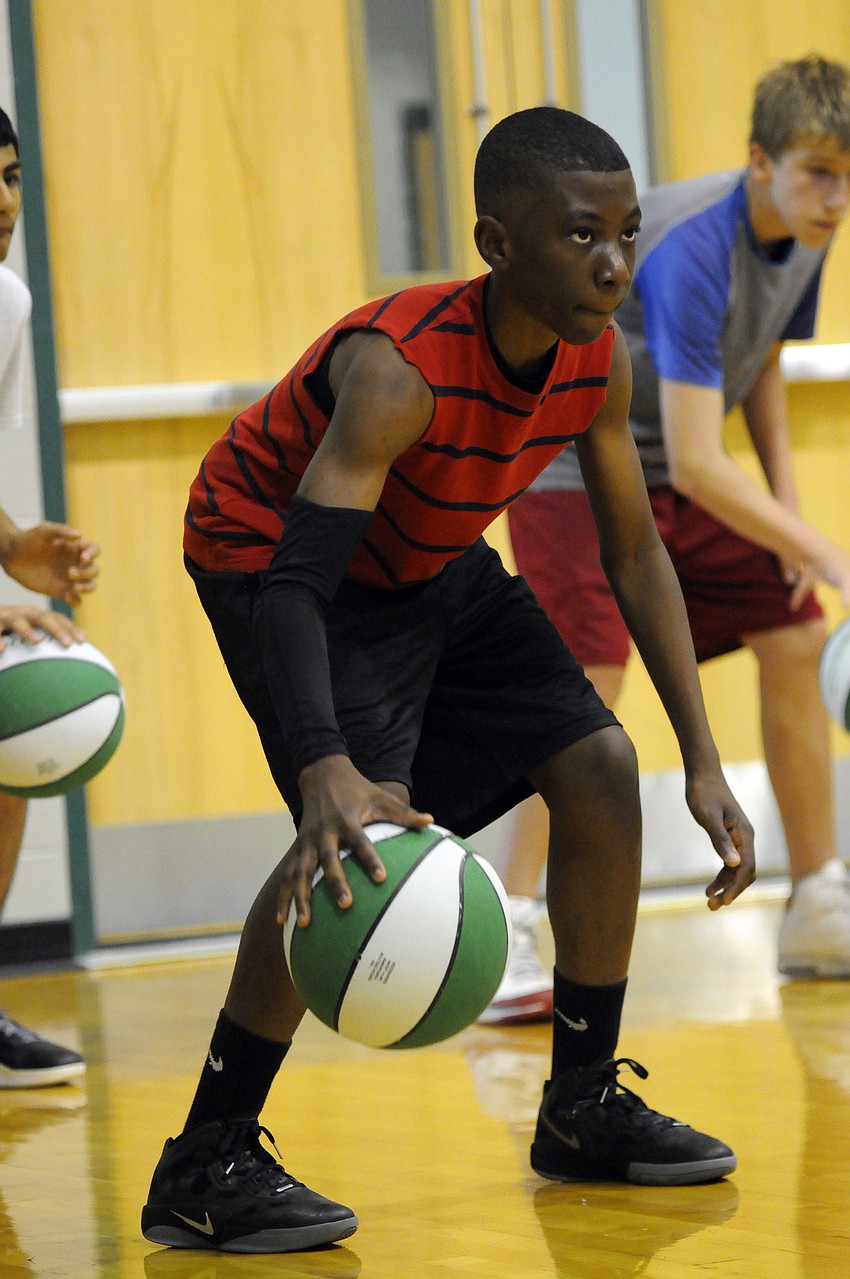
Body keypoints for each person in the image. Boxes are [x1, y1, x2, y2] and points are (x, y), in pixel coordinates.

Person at [141, 107, 755, 1255]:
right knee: (344, 832)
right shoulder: (401, 374)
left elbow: (633, 550)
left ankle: (580, 1105)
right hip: (265, 553)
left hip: (423, 555)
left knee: (601, 764)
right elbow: (294, 589)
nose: (613, 261)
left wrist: (707, 760)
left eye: (625, 232)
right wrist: (324, 764)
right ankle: (203, 1160)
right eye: (580, 236)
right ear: (495, 242)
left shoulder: (592, 356)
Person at [488, 54, 850, 1021]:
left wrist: (786, 509)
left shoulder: (807, 235)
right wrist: (826, 549)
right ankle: (512, 921)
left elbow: (761, 360)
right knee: (591, 673)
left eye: (849, 176)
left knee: (795, 632)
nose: (836, 196)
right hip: (574, 463)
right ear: (759, 162)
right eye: (818, 172)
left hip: (666, 466)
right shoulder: (693, 244)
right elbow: (695, 461)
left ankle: (817, 897)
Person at [0, 107, 99, 1088]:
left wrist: (15, 545)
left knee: (13, 730)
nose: (1, 201)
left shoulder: (7, 302)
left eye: (11, 175)